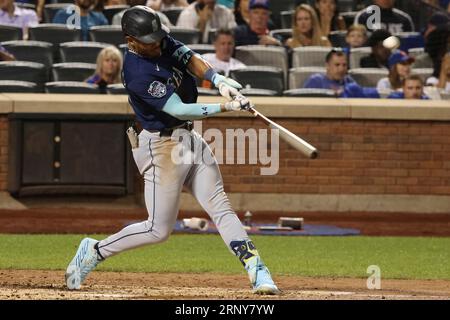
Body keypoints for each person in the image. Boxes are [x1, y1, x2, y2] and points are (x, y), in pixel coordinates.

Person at [64, 5, 280, 296]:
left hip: (189, 138)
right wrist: (225, 106)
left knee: (220, 206)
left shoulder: (159, 40)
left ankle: (257, 270)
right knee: (158, 230)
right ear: (131, 41)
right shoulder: (136, 71)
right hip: (159, 146)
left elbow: (189, 58)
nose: (158, 44)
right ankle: (95, 250)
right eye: (150, 40)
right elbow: (177, 109)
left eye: (157, 37)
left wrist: (217, 80)